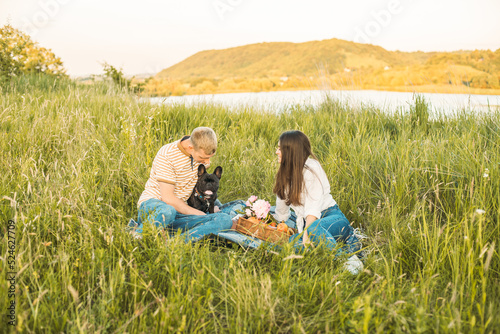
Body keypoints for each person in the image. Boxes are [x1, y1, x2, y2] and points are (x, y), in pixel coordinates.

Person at [273, 130, 364, 274]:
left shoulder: (312, 169)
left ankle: (346, 264)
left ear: (290, 151)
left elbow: (313, 209)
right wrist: (279, 223)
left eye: (279, 148)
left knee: (312, 232)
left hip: (331, 218)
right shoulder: (285, 172)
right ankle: (340, 251)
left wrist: (307, 234)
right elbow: (281, 204)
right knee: (291, 244)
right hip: (308, 224)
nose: (277, 152)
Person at [128, 127, 236, 243]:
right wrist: (200, 214)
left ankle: (175, 243)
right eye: (203, 158)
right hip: (155, 206)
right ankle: (138, 235)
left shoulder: (198, 155)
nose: (207, 162)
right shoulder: (167, 155)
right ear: (190, 147)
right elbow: (168, 199)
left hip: (180, 213)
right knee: (168, 211)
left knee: (224, 219)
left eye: (209, 158)